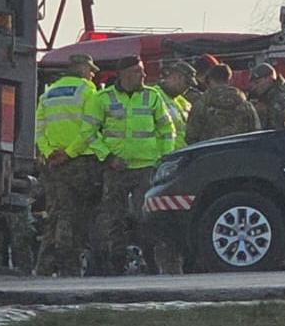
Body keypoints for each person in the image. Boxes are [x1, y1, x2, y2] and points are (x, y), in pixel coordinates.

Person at [93, 59, 175, 275]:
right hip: (115, 169)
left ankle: (152, 262)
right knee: (114, 218)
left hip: (146, 168)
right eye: (138, 72)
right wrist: (108, 157)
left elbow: (167, 129)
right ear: (124, 74)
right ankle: (116, 264)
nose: (143, 76)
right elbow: (89, 133)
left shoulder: (152, 96)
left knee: (146, 217)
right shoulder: (103, 99)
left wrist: (162, 159)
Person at [34, 53, 105, 276]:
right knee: (74, 217)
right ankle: (69, 268)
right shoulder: (88, 91)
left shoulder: (49, 93)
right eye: (91, 70)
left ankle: (44, 267)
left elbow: (38, 129)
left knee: (55, 214)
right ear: (82, 69)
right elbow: (89, 129)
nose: (93, 74)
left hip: (52, 163)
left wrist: (49, 152)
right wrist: (70, 153)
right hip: (80, 162)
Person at [187, 61, 260, 144]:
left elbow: (191, 135)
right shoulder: (245, 105)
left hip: (209, 153)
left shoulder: (202, 104)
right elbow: (256, 132)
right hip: (239, 152)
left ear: (210, 79)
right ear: (229, 79)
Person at [247, 61, 285, 131]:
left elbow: (278, 131)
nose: (254, 87)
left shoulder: (279, 100)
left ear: (269, 78)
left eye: (257, 82)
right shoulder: (270, 98)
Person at [158, 60, 196, 153]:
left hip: (181, 155)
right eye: (186, 83)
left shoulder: (183, 102)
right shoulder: (154, 96)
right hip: (164, 156)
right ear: (176, 77)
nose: (187, 88)